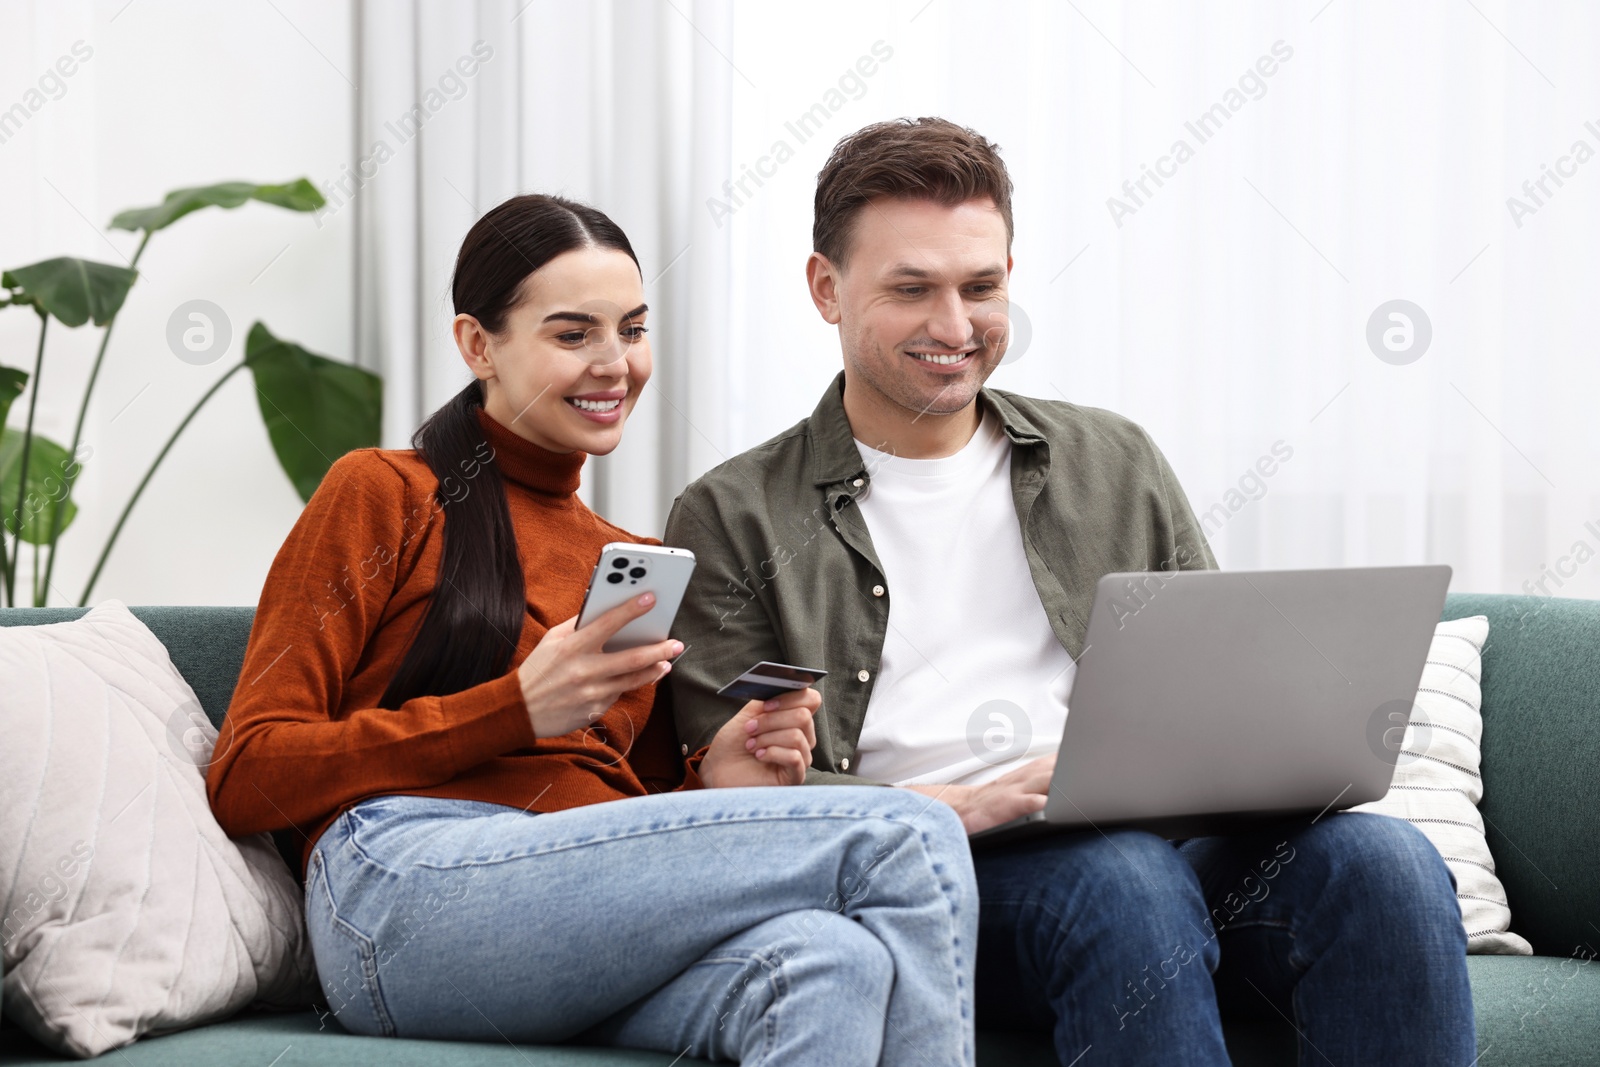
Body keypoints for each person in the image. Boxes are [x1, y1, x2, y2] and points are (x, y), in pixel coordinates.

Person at [663, 118, 1475, 1065]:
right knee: (1121, 881)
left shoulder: (1113, 460)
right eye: (912, 289)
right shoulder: (731, 514)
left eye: (981, 286)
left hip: (1151, 849)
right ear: (825, 289)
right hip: (936, 878)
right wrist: (942, 805)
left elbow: (1214, 693)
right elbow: (741, 807)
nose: (956, 328)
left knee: (1387, 865)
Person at [205, 193, 978, 1067]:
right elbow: (247, 774)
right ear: (477, 345)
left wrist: (713, 778)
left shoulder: (633, 560)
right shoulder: (385, 492)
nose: (616, 364)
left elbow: (611, 825)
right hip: (399, 889)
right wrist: (513, 708)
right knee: (909, 832)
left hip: (553, 923)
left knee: (827, 965)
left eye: (633, 329)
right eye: (572, 335)